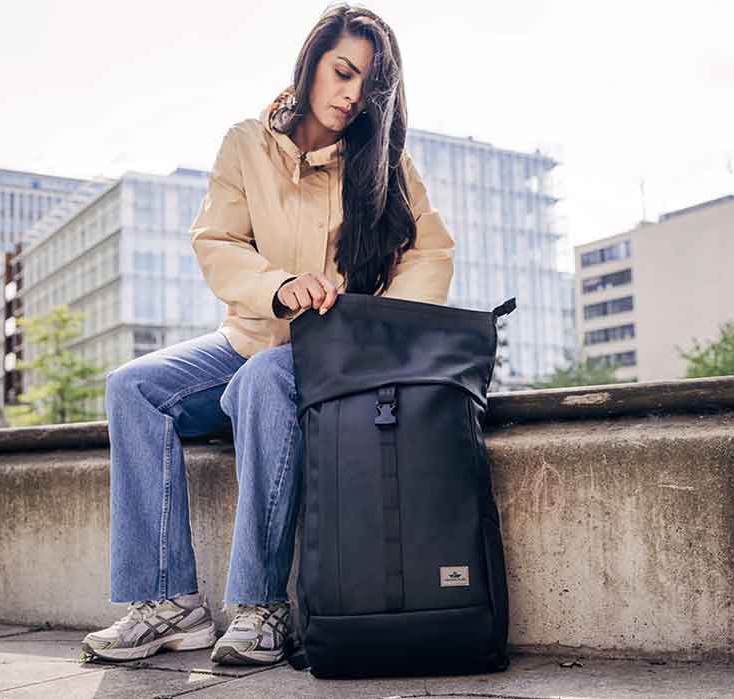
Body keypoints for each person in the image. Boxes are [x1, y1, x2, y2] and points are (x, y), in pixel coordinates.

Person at [80, 3, 455, 666]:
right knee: (134, 387)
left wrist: (372, 326)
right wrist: (278, 285)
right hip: (255, 336)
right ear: (311, 62)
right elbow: (217, 241)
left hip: (340, 357)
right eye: (342, 72)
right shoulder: (245, 144)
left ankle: (261, 606)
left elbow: (432, 256)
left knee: (263, 382)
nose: (350, 95)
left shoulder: (387, 163)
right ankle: (169, 603)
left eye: (367, 86)